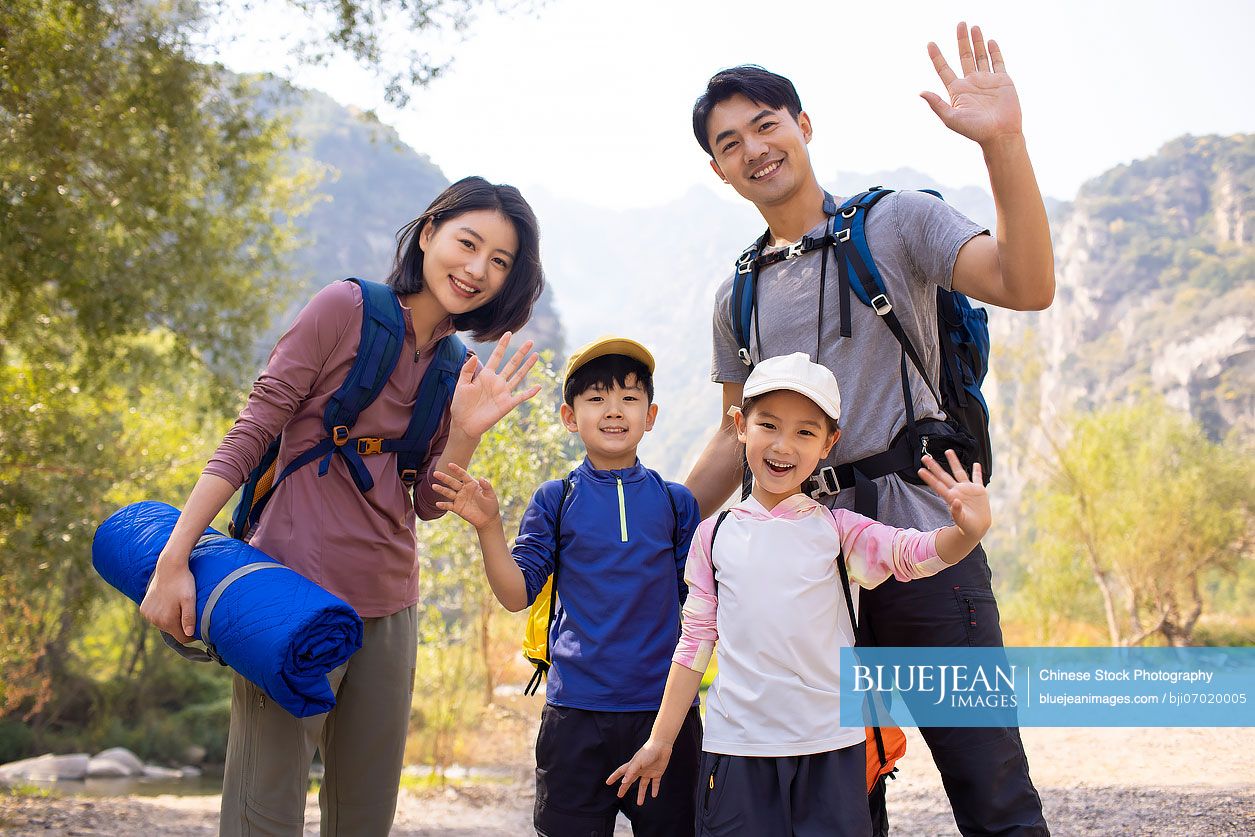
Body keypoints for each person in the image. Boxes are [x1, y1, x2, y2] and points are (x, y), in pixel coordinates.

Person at [683, 23, 1052, 836]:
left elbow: (1026, 285)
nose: (754, 148)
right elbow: (728, 439)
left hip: (925, 550)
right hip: (806, 579)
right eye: (730, 142)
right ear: (717, 169)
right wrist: (655, 528)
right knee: (841, 807)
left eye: (766, 124)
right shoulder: (734, 295)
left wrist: (1003, 145)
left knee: (989, 787)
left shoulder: (896, 224)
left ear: (803, 125)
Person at [138, 175, 547, 836]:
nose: (477, 269)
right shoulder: (343, 309)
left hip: (390, 607)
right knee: (262, 809)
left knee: (363, 816)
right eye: (467, 243)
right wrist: (173, 558)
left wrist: (466, 432)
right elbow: (250, 434)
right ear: (428, 232)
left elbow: (424, 503)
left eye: (499, 262)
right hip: (288, 593)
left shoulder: (451, 367)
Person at [608, 352, 992, 836]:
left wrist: (964, 534)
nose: (783, 445)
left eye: (805, 433)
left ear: (830, 443)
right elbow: (694, 643)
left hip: (831, 745)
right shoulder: (713, 535)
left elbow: (909, 553)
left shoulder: (838, 531)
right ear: (739, 425)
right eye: (768, 425)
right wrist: (661, 740)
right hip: (738, 747)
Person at [432, 336, 703, 837]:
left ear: (652, 413)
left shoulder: (676, 503)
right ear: (569, 416)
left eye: (628, 397)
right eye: (596, 399)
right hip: (576, 713)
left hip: (664, 713)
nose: (614, 411)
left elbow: (703, 611)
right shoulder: (555, 500)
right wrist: (489, 526)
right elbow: (516, 595)